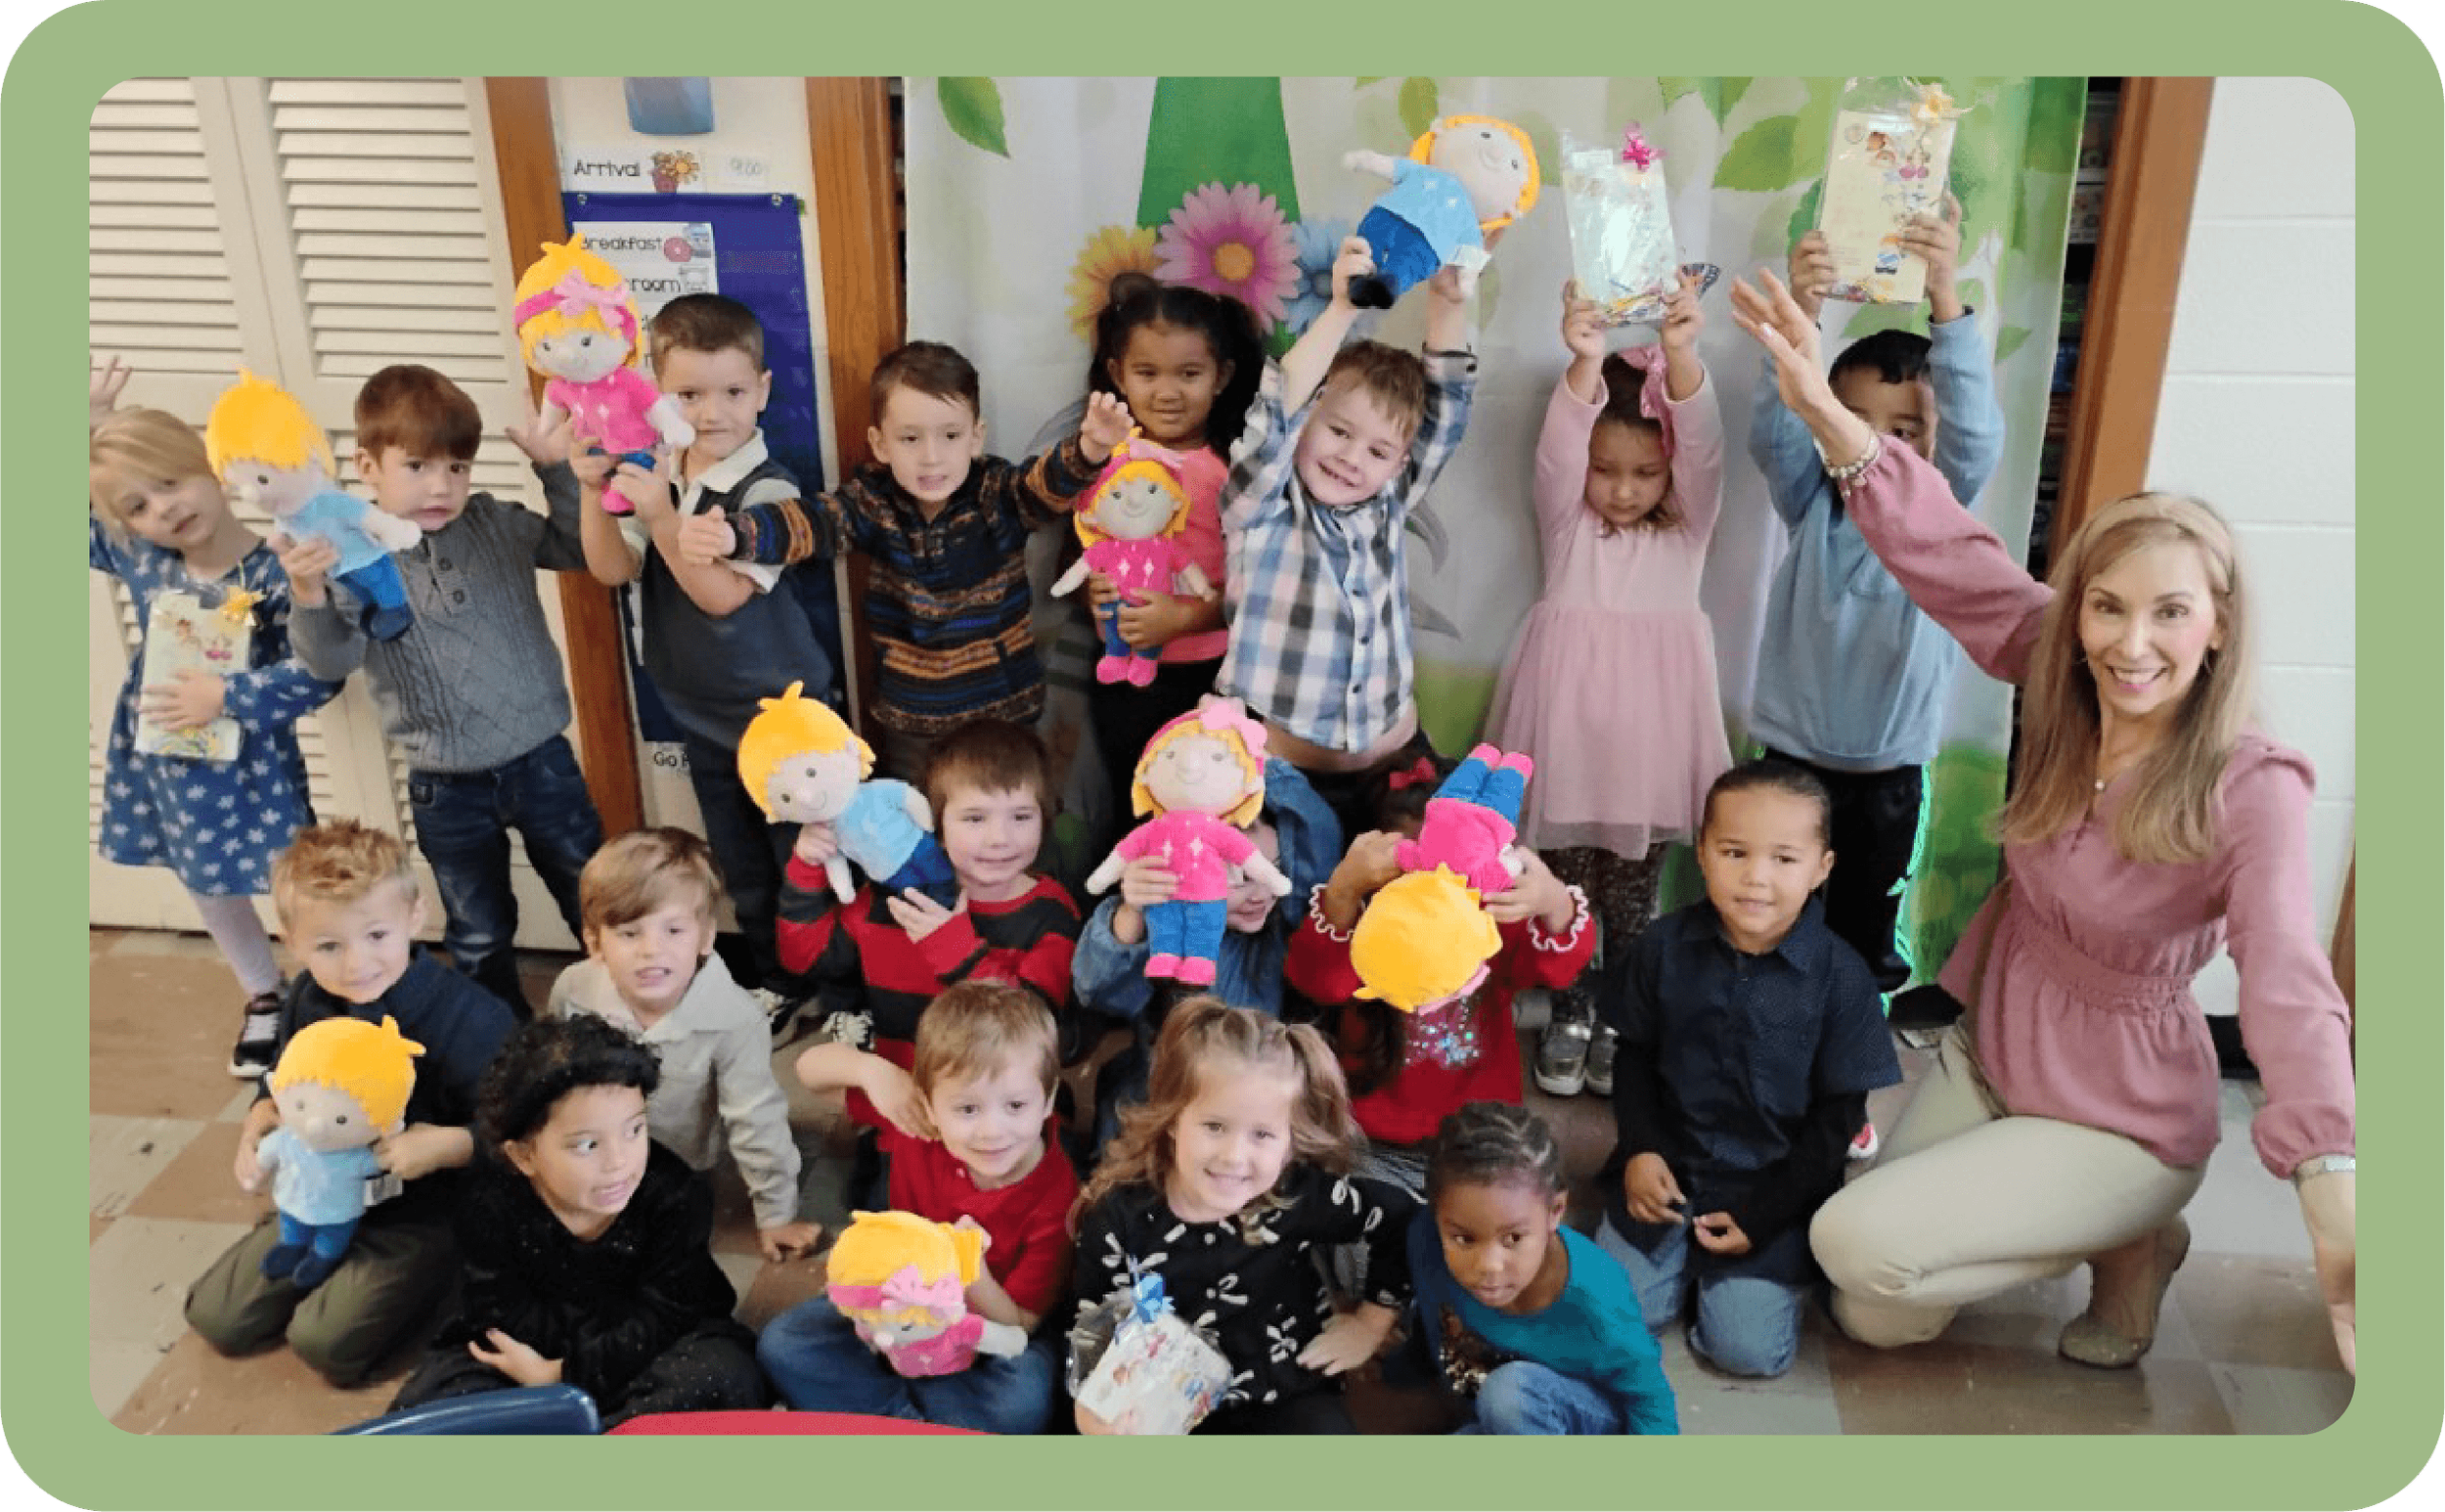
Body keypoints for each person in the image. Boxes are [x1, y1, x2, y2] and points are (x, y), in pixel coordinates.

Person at [1728, 266, 2357, 1374]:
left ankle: (2129, 1226)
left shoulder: (2253, 782)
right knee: (1871, 1302)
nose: (2130, 645)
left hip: (2122, 1114)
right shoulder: (2062, 678)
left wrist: (2327, 1173)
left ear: (2217, 627)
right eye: (2107, 608)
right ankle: (2111, 1234)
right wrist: (1818, 406)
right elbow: (1943, 551)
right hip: (1992, 1052)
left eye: (2170, 613)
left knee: (1847, 1240)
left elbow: (2287, 977)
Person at [283, 364, 600, 1016]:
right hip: (445, 784)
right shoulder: (348, 556)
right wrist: (309, 594)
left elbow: (575, 548)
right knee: (480, 932)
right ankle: (499, 1045)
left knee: (592, 896)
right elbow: (330, 662)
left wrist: (556, 472)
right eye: (419, 466)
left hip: (543, 760)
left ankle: (625, 1012)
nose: (441, 485)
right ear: (365, 465)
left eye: (457, 467)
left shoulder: (496, 525)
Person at [1746, 200, 2003, 1005]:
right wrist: (1806, 313)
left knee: (1861, 941)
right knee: (1769, 927)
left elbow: (1974, 440)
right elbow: (1777, 427)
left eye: (1906, 429)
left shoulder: (1942, 511)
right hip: (1789, 767)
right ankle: (1764, 1052)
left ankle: (1846, 1077)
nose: (1881, 445)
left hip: (1889, 777)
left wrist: (1945, 297)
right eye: (1855, 422)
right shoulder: (1813, 498)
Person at [1482, 276, 1729, 1100]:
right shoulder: (1567, 523)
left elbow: (1704, 450)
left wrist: (1683, 355)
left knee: (1634, 891)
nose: (1623, 489)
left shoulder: (1689, 531)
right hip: (1563, 725)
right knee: (1560, 878)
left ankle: (1624, 1013)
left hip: (1653, 742)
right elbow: (1558, 453)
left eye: (1645, 473)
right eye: (1607, 470)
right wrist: (1584, 361)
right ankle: (1571, 1007)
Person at [674, 341, 1132, 782]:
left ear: (976, 438)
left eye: (950, 436)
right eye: (910, 438)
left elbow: (1044, 485)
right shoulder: (873, 502)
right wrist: (734, 534)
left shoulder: (998, 493)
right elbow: (809, 523)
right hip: (913, 722)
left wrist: (1089, 448)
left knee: (1007, 825)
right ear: (881, 444)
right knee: (916, 834)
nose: (931, 457)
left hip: (1004, 713)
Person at [1592, 758, 1902, 1379]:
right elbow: (1635, 1056)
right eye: (1734, 852)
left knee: (1748, 1352)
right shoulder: (1662, 946)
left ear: (1822, 868)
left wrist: (1767, 1214)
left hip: (1771, 1191)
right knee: (1614, 1316)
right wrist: (1642, 1150)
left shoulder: (1842, 978)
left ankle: (1739, 1285)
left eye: (1784, 860)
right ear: (1702, 853)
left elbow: (1838, 1116)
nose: (1756, 879)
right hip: (1665, 1173)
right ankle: (1669, 1266)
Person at [573, 293, 835, 1011]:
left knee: (805, 864)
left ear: (763, 393)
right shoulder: (657, 471)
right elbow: (610, 569)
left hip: (784, 720)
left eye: (732, 392)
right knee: (742, 864)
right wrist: (596, 491)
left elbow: (722, 595)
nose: (712, 412)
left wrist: (661, 514)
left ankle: (838, 990)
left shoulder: (767, 485)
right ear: (655, 393)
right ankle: (780, 984)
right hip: (702, 713)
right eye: (688, 394)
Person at [184, 819, 515, 1387]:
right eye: (329, 945)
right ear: (291, 941)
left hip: (423, 1213)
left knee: (326, 1344)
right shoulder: (308, 1002)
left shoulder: (474, 1021)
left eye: (377, 937)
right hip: (316, 1193)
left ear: (414, 918)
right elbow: (281, 1080)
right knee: (217, 1317)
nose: (357, 964)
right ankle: (321, 1259)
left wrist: (454, 1144)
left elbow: (525, 1133)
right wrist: (259, 1119)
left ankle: (441, 1277)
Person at [88, 359, 341, 1077]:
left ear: (208, 464)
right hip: (167, 754)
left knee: (296, 876)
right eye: (137, 506)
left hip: (253, 758)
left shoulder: (276, 568)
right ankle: (263, 992)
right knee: (204, 876)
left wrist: (229, 698)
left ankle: (330, 984)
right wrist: (85, 431)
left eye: (169, 484)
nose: (162, 511)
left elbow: (316, 676)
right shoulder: (141, 556)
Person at [1213, 234, 1480, 834]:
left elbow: (1447, 410)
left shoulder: (1389, 499)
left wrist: (1449, 305)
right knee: (1292, 915)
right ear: (1309, 421)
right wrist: (1342, 310)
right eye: (1337, 431)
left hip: (1396, 765)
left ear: (1399, 463)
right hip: (1283, 777)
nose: (1353, 458)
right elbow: (1278, 406)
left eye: (1379, 449)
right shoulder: (1262, 507)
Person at [386, 1013, 768, 1426]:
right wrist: (541, 1370)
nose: (619, 1163)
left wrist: (566, 1374)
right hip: (527, 1353)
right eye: (587, 1145)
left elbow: (668, 1313)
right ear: (524, 1156)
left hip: (647, 1348)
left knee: (723, 1375)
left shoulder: (675, 1194)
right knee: (439, 1406)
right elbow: (499, 1307)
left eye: (634, 1130)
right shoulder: (489, 1200)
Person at [1069, 1000, 1416, 1435]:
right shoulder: (1118, 1218)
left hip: (1284, 1392)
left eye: (1262, 1135)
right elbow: (1089, 1326)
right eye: (1214, 1126)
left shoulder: (1294, 1197)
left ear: (1290, 1144)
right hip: (1164, 1406)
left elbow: (1403, 1216)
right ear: (1173, 1120)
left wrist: (1371, 1321)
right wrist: (1095, 1414)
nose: (1234, 1157)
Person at [763, 982, 1078, 1433]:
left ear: (1047, 1103)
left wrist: (970, 1269)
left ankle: (896, 1415)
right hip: (894, 1307)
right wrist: (873, 1072)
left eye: (1015, 1106)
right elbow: (808, 1070)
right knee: (784, 1342)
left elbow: (1022, 1324)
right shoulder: (918, 1124)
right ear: (928, 1104)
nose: (992, 1131)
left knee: (1021, 1400)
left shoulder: (1058, 1195)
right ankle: (917, 1422)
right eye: (967, 1109)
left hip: (986, 1329)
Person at [1288, 758, 1594, 1207]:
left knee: (1513, 1220)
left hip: (1483, 1133)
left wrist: (1552, 901)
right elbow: (1319, 981)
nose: (1435, 886)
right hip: (1376, 1140)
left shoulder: (1488, 919)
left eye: (1452, 869)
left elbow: (1554, 969)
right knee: (1365, 1229)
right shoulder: (1368, 923)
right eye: (1418, 868)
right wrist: (1343, 891)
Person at [778, 719, 1083, 1168]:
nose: (1000, 838)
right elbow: (804, 956)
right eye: (975, 818)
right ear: (933, 824)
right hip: (912, 1111)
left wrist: (954, 947)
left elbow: (1039, 1030)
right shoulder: (891, 900)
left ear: (1044, 819)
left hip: (1004, 1122)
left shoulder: (1051, 912)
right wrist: (806, 868)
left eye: (1021, 817)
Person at [549, 828, 821, 1265]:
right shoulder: (574, 991)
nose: (652, 951)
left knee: (673, 1247)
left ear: (705, 937)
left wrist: (776, 1215)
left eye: (673, 930)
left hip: (679, 1162)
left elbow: (757, 1121)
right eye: (629, 933)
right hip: (597, 1151)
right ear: (595, 941)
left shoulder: (735, 1019)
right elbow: (554, 1083)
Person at [1072, 276, 1266, 823]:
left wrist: (1188, 617)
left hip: (1215, 675)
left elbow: (1261, 584)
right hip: (1124, 674)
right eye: (1147, 373)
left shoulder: (1235, 470)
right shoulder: (1100, 459)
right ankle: (1126, 902)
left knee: (1220, 805)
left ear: (1222, 376)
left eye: (1189, 374)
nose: (1167, 392)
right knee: (1135, 802)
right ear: (1117, 374)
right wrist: (1095, 594)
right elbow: (1090, 550)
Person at [1072, 755, 1341, 1144]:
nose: (1260, 894)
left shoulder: (1278, 932)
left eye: (1273, 870)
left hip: (1250, 1112)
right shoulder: (1164, 928)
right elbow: (1098, 993)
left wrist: (1247, 758)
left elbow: (1317, 829)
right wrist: (1134, 912)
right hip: (1158, 1106)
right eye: (1235, 878)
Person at [1409, 1102, 1678, 1435]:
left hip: (1583, 1418)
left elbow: (1650, 1401)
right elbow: (1443, 1341)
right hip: (1504, 1417)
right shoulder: (1426, 1240)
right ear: (1437, 1217)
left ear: (1556, 1211)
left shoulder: (1598, 1298)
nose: (1489, 1266)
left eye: (1514, 1238)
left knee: (1509, 1394)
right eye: (1464, 1239)